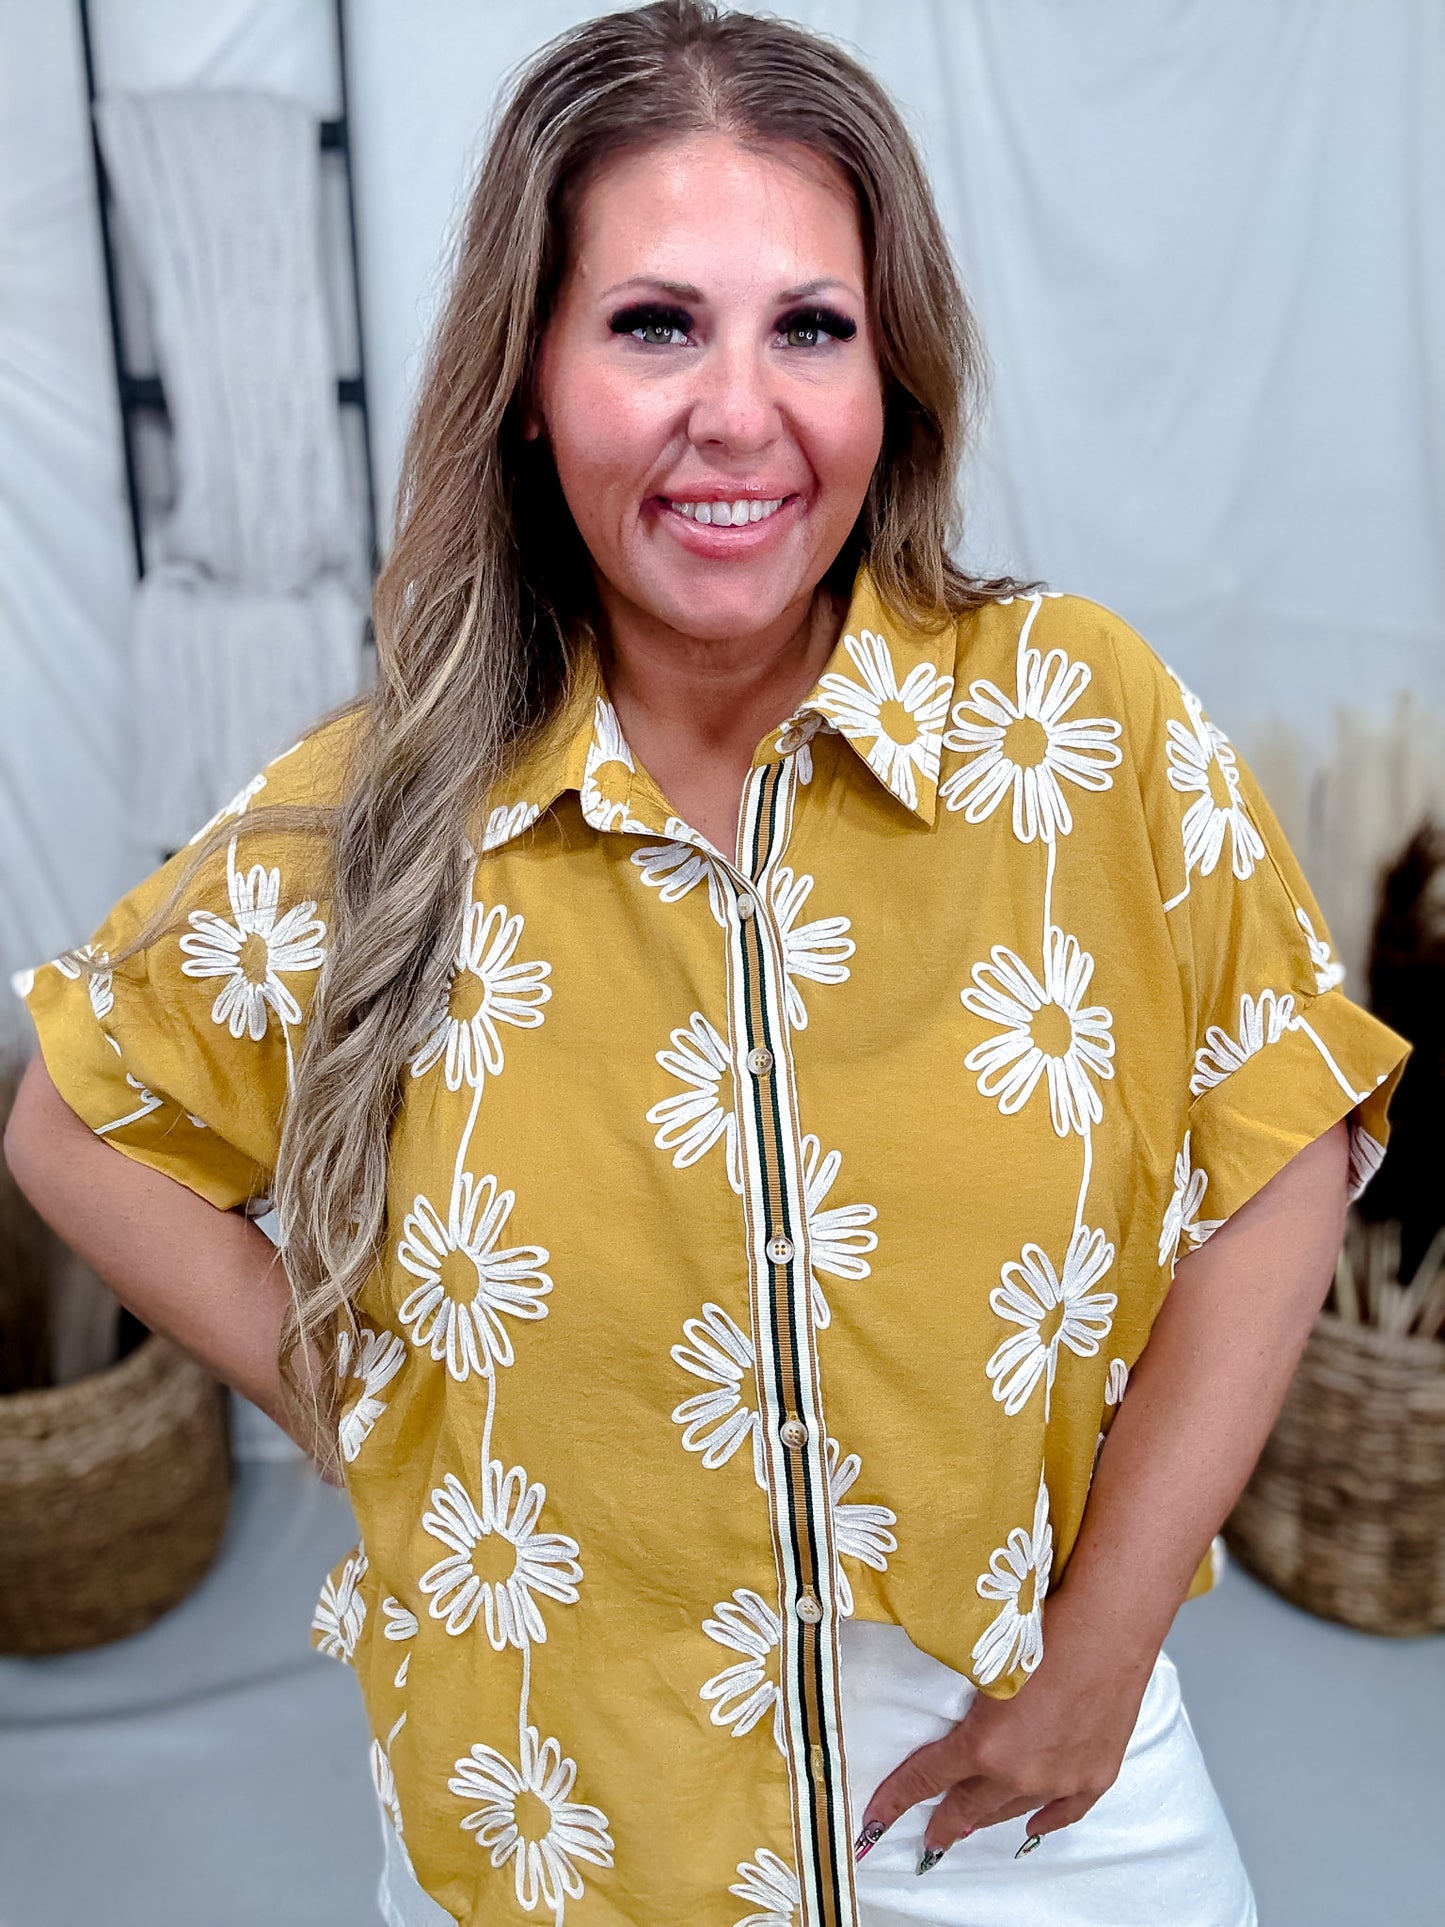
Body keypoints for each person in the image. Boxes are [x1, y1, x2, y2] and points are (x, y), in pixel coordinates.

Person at [4, 4, 1409, 1924]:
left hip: (1012, 1766)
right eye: (652, 322)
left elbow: (1279, 1148)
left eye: (807, 327)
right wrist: (387, 1401)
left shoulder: (1078, 727)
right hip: (556, 1801)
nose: (735, 412)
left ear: (890, 374)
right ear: (527, 376)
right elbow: (77, 1122)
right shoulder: (383, 813)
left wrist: (1091, 1666)